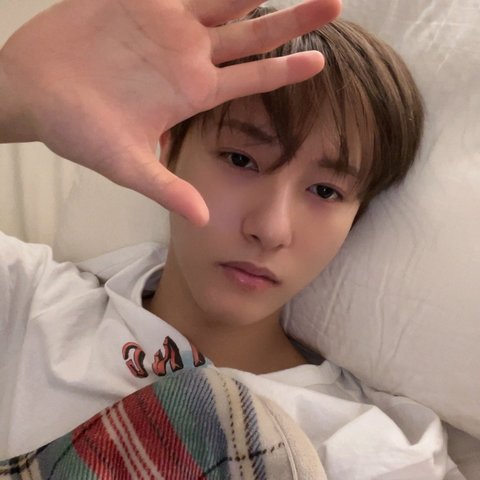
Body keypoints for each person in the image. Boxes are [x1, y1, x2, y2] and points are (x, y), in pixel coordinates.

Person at [0, 0, 459, 478]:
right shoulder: (27, 304)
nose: (271, 229)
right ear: (169, 145)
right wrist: (9, 92)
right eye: (241, 160)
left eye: (326, 191)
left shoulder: (374, 450)